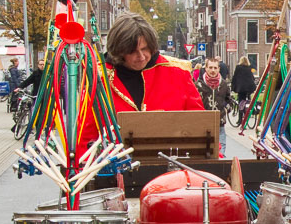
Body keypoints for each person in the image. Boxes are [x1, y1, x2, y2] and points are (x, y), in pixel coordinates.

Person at [84, 13, 204, 145]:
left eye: (145, 48)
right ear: (119, 51)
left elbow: (201, 127)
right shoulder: (100, 78)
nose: (141, 56)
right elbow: (85, 138)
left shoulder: (178, 72)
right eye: (133, 51)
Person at [194, 57, 231, 156]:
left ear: (219, 69)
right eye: (210, 67)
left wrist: (226, 109)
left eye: (215, 68)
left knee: (221, 150)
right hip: (203, 123)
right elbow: (194, 102)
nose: (213, 70)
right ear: (205, 68)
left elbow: (229, 100)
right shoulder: (198, 85)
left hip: (220, 122)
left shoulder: (224, 85)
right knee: (205, 149)